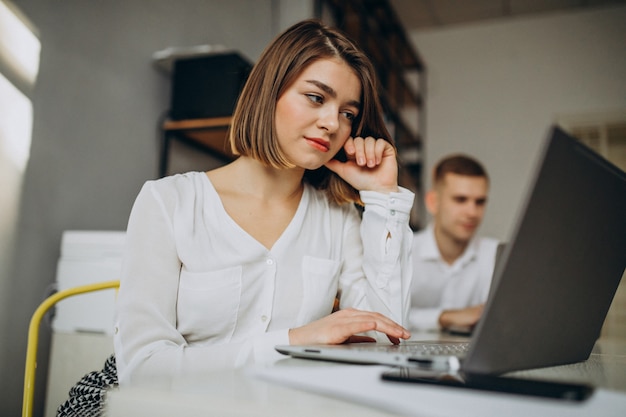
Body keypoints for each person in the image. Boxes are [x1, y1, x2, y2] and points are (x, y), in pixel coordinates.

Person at [113, 19, 415, 386]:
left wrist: (383, 197)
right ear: (268, 92)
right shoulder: (168, 202)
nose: (332, 123)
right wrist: (293, 342)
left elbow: (385, 339)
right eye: (316, 98)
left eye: (348, 114)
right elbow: (142, 369)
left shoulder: (339, 218)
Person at [409, 154, 500, 333]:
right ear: (433, 202)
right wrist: (444, 317)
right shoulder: (403, 252)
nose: (472, 212)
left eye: (480, 202)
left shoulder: (496, 255)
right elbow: (383, 317)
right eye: (460, 200)